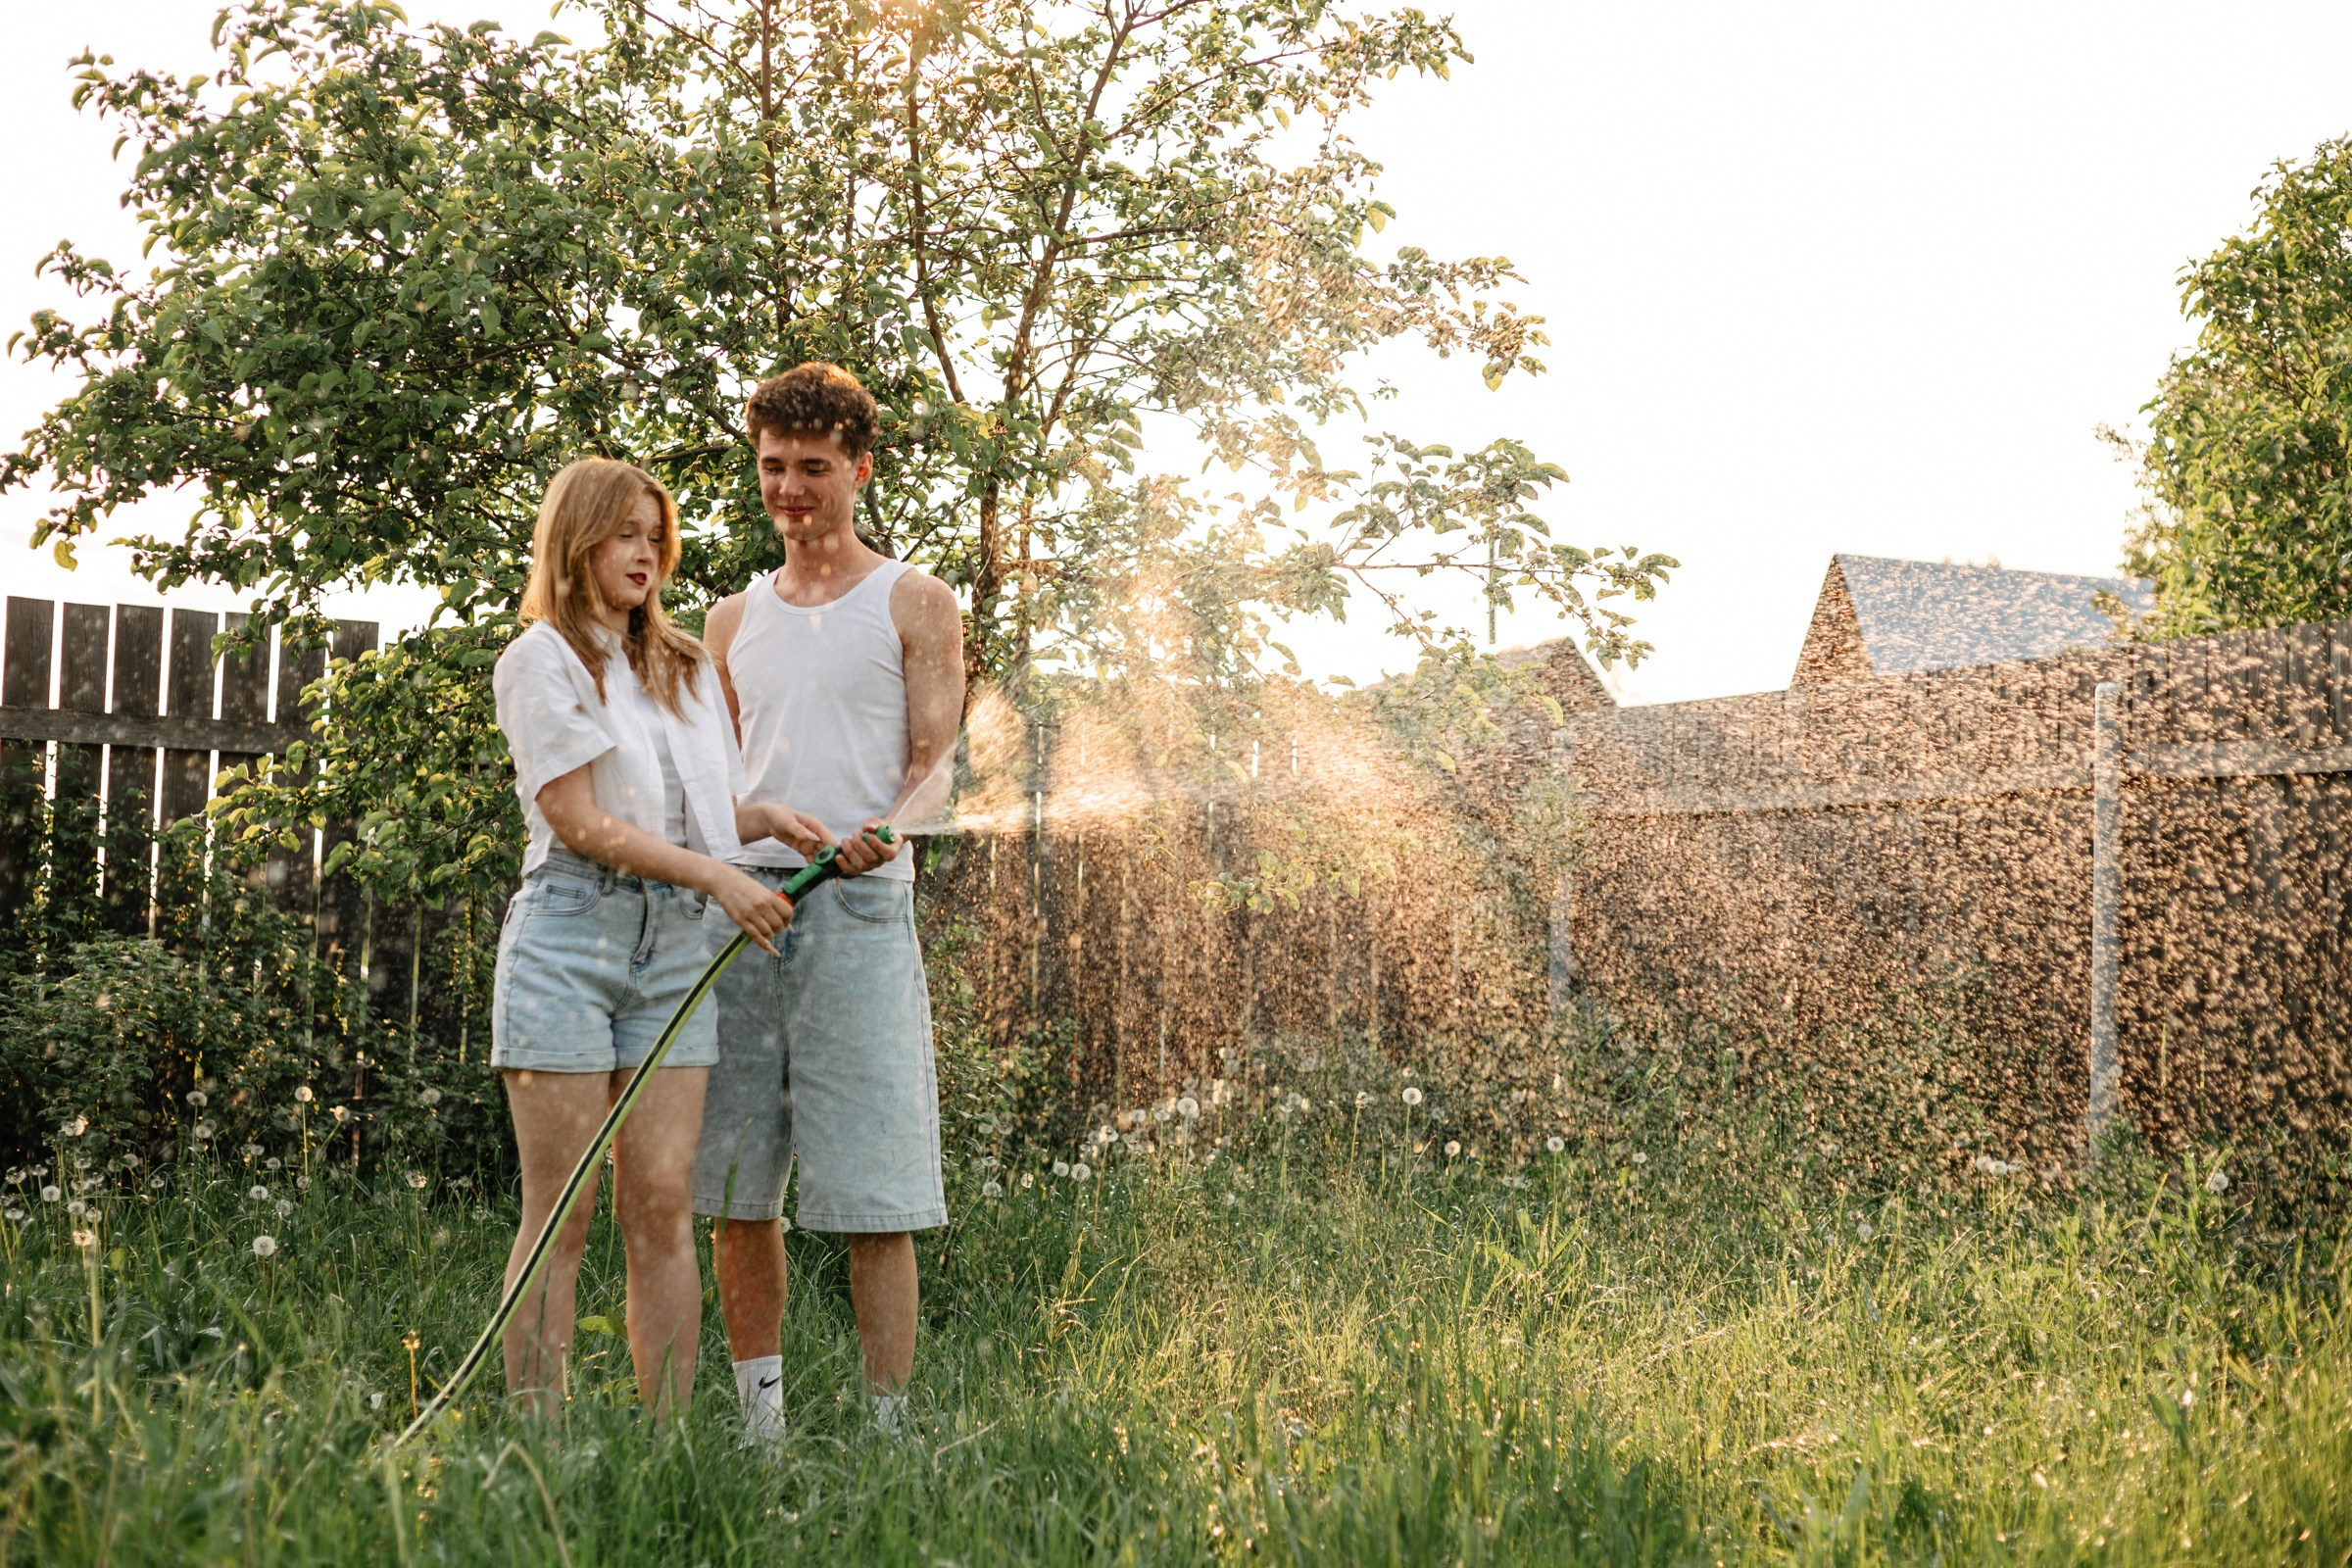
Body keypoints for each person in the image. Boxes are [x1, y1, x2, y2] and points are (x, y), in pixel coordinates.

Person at [490, 457, 828, 1422]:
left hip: (677, 945)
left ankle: (666, 1448)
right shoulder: (542, 659)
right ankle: (536, 1447)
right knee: (563, 1211)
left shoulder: (680, 664)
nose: (644, 553)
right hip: (571, 936)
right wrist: (721, 876)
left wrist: (763, 820)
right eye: (624, 533)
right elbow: (582, 819)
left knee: (661, 1208)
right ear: (577, 539)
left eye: (654, 535)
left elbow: (693, 812)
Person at [693, 364, 965, 1443]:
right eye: (773, 467)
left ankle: (889, 1435)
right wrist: (752, 827)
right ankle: (758, 1435)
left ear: (860, 467)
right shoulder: (727, 620)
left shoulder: (914, 600)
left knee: (875, 1190)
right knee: (735, 1186)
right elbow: (717, 789)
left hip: (859, 912)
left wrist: (890, 824)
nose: (792, 489)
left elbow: (938, 764)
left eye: (814, 468)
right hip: (744, 916)